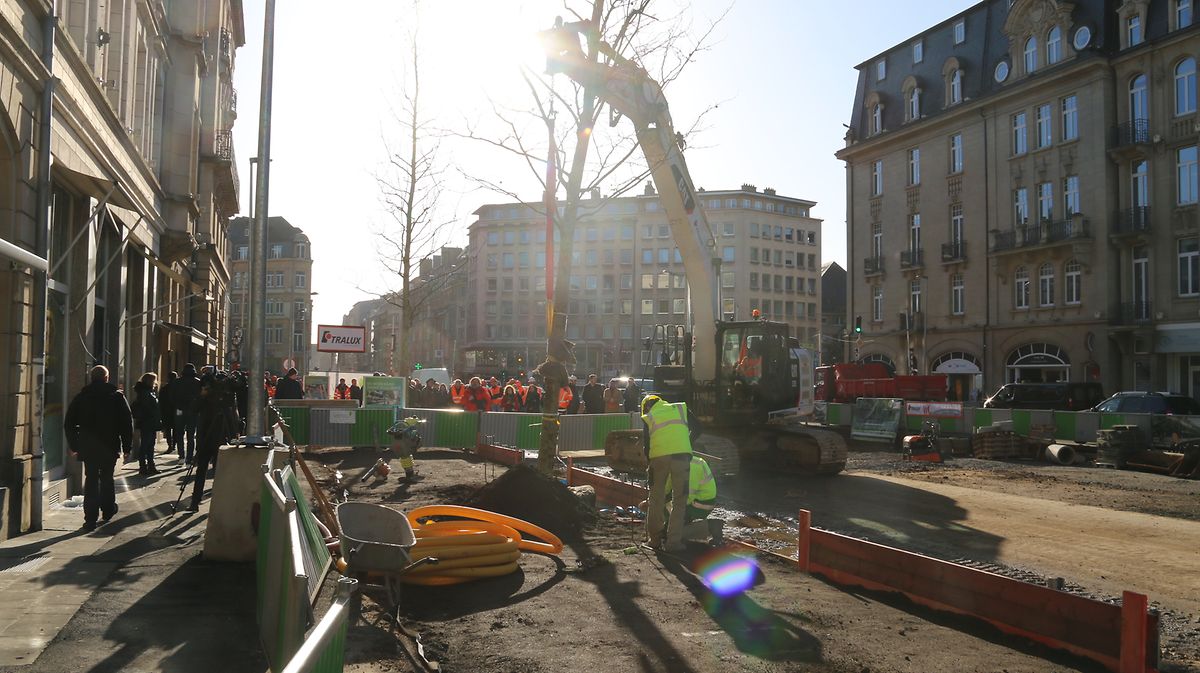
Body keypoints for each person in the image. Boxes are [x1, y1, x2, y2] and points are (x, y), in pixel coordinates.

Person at [64, 366, 133, 531]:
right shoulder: (116, 397)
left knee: (91, 480)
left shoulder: (82, 397)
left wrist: (75, 445)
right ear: (107, 378)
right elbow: (126, 423)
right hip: (109, 445)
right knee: (107, 478)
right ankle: (108, 510)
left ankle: (90, 519)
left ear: (91, 378)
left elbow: (69, 423)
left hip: (88, 446)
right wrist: (127, 447)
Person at [640, 394, 693, 553]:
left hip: (659, 458)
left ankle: (654, 541)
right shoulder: (679, 408)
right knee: (679, 501)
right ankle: (673, 543)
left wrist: (649, 463)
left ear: (647, 406)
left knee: (655, 499)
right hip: (682, 458)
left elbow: (646, 444)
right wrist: (686, 442)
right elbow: (698, 427)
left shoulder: (649, 416)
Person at [186, 369, 243, 512]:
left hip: (213, 437)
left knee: (211, 471)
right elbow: (193, 409)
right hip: (210, 437)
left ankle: (201, 502)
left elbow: (230, 416)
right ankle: (199, 501)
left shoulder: (222, 400)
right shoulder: (210, 398)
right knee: (208, 470)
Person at [662, 455, 724, 547]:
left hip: (700, 502)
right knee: (669, 527)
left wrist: (674, 518)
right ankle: (674, 529)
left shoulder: (691, 467)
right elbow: (667, 487)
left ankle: (712, 526)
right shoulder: (676, 463)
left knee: (674, 534)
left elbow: (687, 496)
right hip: (692, 500)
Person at [170, 363, 202, 464]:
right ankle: (189, 457)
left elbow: (172, 396)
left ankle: (181, 456)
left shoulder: (177, 382)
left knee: (179, 433)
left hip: (179, 409)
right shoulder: (197, 382)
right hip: (192, 411)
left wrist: (177, 405)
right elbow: (200, 398)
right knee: (191, 435)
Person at [131, 372, 161, 475]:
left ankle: (149, 466)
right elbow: (148, 408)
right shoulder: (145, 393)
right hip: (148, 422)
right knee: (146, 445)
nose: (156, 382)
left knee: (149, 445)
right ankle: (144, 466)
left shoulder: (147, 392)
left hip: (149, 422)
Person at [159, 371, 178, 456]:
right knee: (176, 429)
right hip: (176, 411)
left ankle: (170, 445)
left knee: (168, 429)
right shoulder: (178, 387)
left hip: (166, 411)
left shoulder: (164, 388)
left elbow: (161, 401)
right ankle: (174, 444)